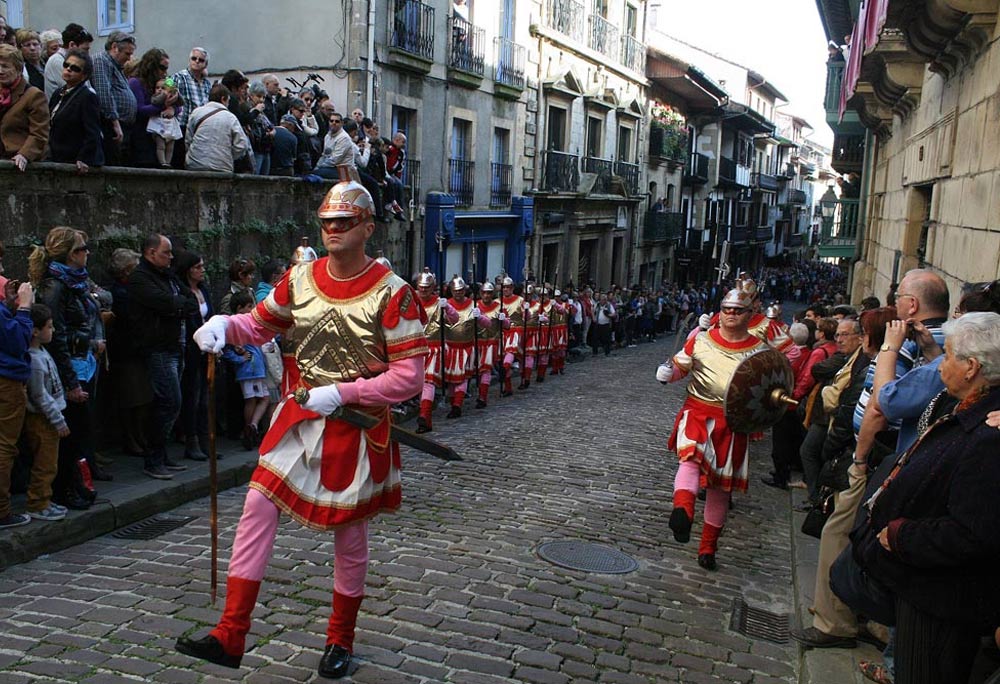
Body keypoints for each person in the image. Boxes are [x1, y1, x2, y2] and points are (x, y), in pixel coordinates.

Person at [176, 168, 430, 680]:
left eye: (345, 220)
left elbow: (408, 378)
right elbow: (259, 324)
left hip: (356, 427)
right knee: (255, 505)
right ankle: (230, 634)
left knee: (349, 536)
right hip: (298, 419)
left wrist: (344, 392)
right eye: (327, 220)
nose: (333, 228)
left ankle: (340, 640)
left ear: (368, 227)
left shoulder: (394, 293)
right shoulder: (299, 280)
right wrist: (224, 326)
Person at [847, 312, 1000, 684]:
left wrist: (900, 535)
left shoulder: (989, 434)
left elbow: (971, 532)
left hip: (940, 598)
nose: (941, 365)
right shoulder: (967, 409)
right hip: (924, 588)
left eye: (947, 356)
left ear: (971, 368)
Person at [658, 279, 770, 571]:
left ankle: (708, 548)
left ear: (749, 313)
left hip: (734, 421)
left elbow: (774, 384)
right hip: (697, 410)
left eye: (737, 310)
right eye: (727, 309)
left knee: (721, 487)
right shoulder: (701, 338)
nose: (731, 314)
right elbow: (682, 365)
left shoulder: (760, 349)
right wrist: (668, 373)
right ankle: (682, 511)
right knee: (690, 458)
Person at [29, 227, 104, 507]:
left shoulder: (76, 282)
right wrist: (70, 383)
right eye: (83, 248)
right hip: (68, 366)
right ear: (72, 254)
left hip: (82, 361)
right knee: (69, 431)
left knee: (82, 428)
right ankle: (65, 489)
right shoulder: (55, 286)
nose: (87, 253)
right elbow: (56, 336)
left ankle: (79, 482)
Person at [128, 233, 197, 480]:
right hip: (158, 347)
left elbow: (188, 298)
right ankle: (153, 457)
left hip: (175, 344)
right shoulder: (140, 278)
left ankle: (162, 454)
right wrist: (177, 305)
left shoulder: (167, 275)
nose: (170, 257)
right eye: (166, 252)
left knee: (171, 402)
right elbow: (165, 302)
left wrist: (179, 304)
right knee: (169, 400)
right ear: (150, 253)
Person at [23, 303, 69, 522]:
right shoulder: (34, 360)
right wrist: (58, 420)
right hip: (43, 419)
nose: (53, 331)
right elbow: (40, 395)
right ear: (35, 330)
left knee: (50, 462)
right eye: (49, 327)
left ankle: (45, 500)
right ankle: (38, 502)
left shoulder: (42, 353)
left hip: (50, 415)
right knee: (45, 463)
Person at [105, 248, 152, 458]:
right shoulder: (121, 293)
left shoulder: (134, 289)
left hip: (138, 350)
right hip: (126, 351)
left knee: (142, 397)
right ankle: (130, 437)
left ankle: (139, 434)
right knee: (130, 397)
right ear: (125, 271)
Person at [0, 279, 34, 529]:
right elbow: (18, 340)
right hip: (6, 379)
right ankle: (2, 511)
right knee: (5, 446)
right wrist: (23, 309)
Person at [174, 250, 211, 462]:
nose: (202, 271)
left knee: (205, 398)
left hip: (207, 350)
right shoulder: (183, 291)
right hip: (191, 349)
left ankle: (206, 439)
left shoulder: (203, 290)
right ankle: (192, 439)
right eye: (198, 267)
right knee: (193, 398)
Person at [220, 290, 270, 450]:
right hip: (249, 369)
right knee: (252, 400)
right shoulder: (235, 324)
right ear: (240, 308)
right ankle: (249, 428)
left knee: (263, 398)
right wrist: (240, 359)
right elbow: (227, 349)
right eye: (249, 306)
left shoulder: (249, 322)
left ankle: (252, 426)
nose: (253, 308)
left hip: (257, 369)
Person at [414, 269, 458, 433]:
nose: (423, 290)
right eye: (421, 287)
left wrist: (448, 309)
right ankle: (424, 414)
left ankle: (424, 416)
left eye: (426, 287)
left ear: (432, 287)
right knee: (417, 383)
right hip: (415, 347)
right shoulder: (412, 301)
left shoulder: (439, 302)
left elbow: (454, 320)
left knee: (429, 381)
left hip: (434, 347)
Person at [47, 48, 103, 171]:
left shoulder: (87, 96)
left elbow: (92, 131)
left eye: (75, 68)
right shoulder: (58, 93)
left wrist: (83, 157)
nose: (69, 69)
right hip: (58, 156)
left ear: (84, 76)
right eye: (66, 65)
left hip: (75, 160)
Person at [0, 43, 49, 172]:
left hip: (18, 160)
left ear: (18, 69)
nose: (0, 71)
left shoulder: (34, 95)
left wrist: (24, 154)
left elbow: (39, 134)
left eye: (5, 66)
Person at [90, 31, 136, 165]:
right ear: (115, 47)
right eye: (127, 53)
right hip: (111, 124)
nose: (129, 58)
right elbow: (104, 92)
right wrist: (114, 123)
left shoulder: (117, 66)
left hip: (123, 124)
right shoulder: (101, 60)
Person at [185, 83, 250, 173]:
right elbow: (241, 145)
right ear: (223, 99)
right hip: (222, 165)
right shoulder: (231, 117)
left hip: (195, 163)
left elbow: (188, 139)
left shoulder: (196, 112)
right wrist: (229, 155)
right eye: (228, 101)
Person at [169, 47, 210, 167]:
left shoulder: (207, 83)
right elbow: (165, 85)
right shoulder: (179, 76)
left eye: (201, 60)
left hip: (199, 129)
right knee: (178, 160)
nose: (196, 61)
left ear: (205, 64)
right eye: (194, 58)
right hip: (182, 125)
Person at [43, 23, 93, 99]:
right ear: (72, 45)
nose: (87, 54)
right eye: (85, 49)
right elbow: (75, 90)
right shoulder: (57, 61)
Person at [144, 75, 183, 168]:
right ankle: (162, 162)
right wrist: (164, 94)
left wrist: (176, 92)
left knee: (170, 146)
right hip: (159, 123)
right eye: (157, 88)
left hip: (171, 124)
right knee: (161, 145)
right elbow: (155, 102)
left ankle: (168, 162)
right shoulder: (155, 97)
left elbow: (181, 103)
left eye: (163, 87)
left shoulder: (173, 97)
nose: (160, 90)